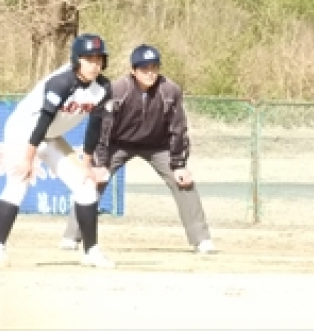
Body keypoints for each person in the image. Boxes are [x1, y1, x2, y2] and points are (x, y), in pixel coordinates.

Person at [60, 44, 216, 254]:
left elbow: (178, 128)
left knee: (183, 182)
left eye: (154, 67)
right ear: (133, 70)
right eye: (144, 68)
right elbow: (104, 128)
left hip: (157, 145)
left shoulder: (170, 90)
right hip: (118, 143)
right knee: (92, 181)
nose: (150, 73)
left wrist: (179, 164)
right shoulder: (118, 90)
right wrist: (99, 163)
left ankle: (201, 239)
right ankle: (72, 236)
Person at [0, 34, 115, 268]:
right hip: (23, 131)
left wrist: (86, 164)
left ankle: (90, 251)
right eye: (88, 59)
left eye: (99, 59)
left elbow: (95, 126)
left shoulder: (102, 88)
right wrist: (28, 158)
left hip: (51, 137)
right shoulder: (62, 82)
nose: (94, 64)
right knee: (19, 182)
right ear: (76, 59)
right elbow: (42, 122)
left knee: (86, 185)